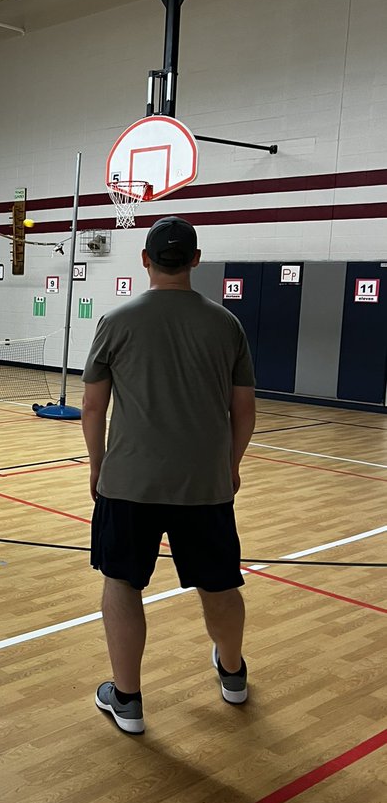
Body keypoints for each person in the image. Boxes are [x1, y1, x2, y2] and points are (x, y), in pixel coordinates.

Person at [81, 216, 257, 735]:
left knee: (123, 583)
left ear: (145, 260)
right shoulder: (226, 325)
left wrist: (98, 468)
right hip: (204, 484)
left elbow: (93, 407)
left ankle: (128, 700)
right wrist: (231, 466)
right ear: (196, 261)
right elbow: (244, 410)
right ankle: (232, 674)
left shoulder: (115, 321)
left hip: (130, 481)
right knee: (220, 584)